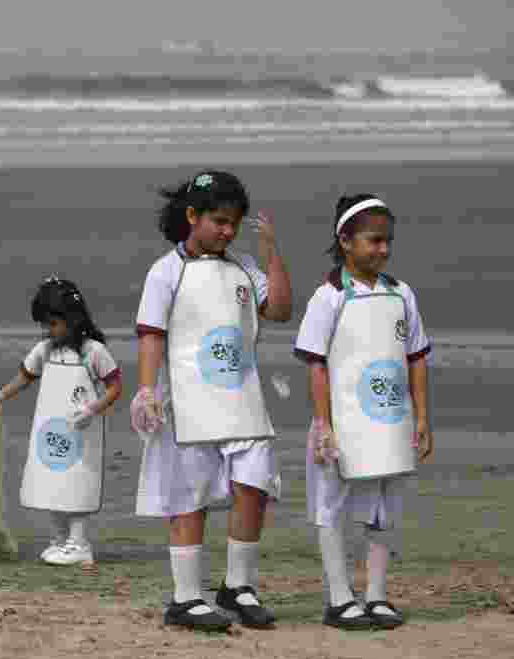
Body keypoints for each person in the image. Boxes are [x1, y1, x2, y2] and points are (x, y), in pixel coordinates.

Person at [132, 171, 292, 632]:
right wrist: (147, 390)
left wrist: (270, 252)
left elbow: (280, 310)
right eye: (220, 221)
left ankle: (238, 587)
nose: (228, 231)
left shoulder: (244, 267)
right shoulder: (166, 271)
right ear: (192, 216)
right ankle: (185, 598)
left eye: (234, 223)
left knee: (254, 485)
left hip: (243, 399)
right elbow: (151, 335)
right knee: (189, 495)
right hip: (187, 404)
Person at [294, 194, 432, 630]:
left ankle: (376, 596)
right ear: (345, 241)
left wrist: (422, 418)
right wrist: (324, 425)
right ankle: (339, 599)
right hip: (339, 423)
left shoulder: (401, 293)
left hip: (390, 421)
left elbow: (416, 358)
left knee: (384, 508)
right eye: (374, 240)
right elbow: (316, 365)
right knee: (331, 507)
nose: (383, 250)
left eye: (388, 241)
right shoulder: (328, 298)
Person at [0, 276, 122, 565]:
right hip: (50, 432)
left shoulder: (94, 352)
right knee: (52, 482)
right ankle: (60, 539)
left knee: (77, 483)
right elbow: (24, 377)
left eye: (53, 323)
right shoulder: (44, 350)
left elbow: (115, 387)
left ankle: (78, 543)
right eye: (45, 325)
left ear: (73, 319)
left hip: (81, 433)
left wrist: (93, 409)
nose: (49, 331)